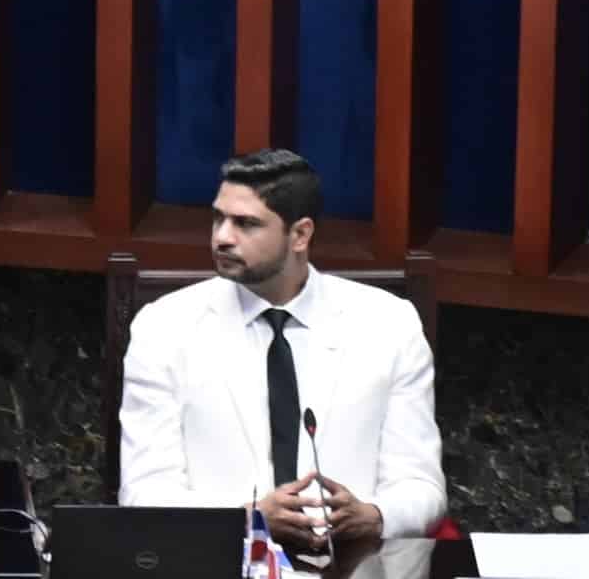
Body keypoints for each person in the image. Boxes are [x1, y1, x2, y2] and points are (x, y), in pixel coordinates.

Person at [117, 150, 445, 552]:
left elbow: (422, 486)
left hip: (350, 567)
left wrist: (375, 515)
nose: (222, 237)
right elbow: (142, 493)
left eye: (246, 224)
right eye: (218, 218)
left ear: (300, 235)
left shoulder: (388, 324)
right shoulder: (165, 327)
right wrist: (246, 519)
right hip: (219, 565)